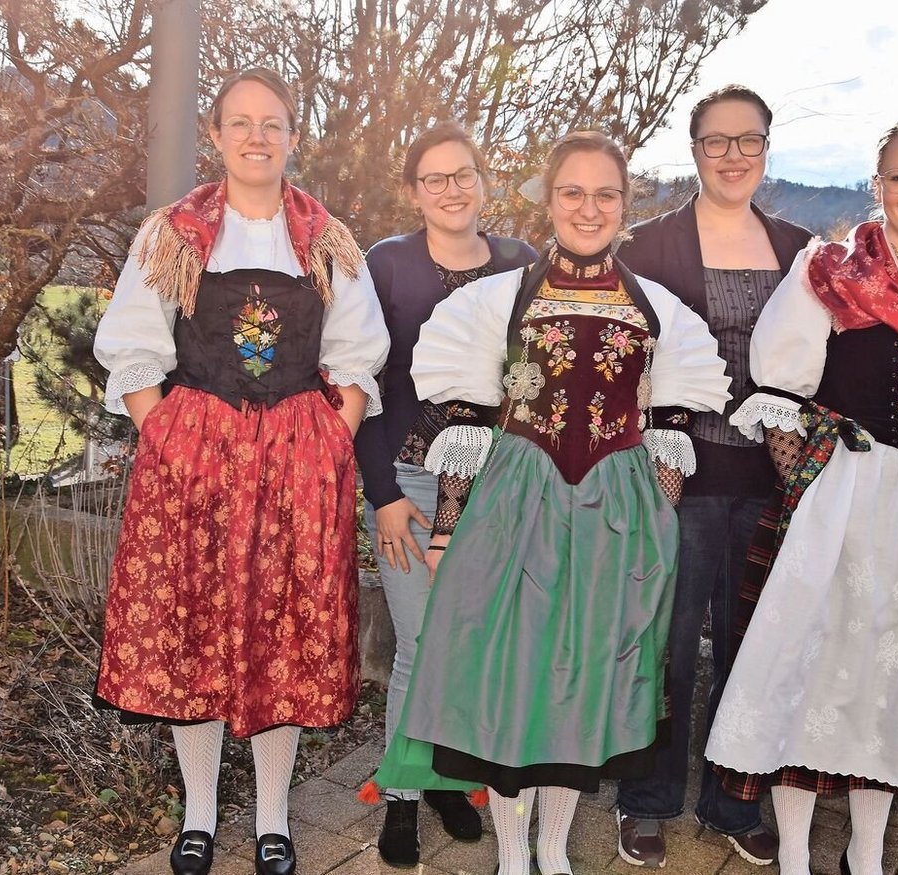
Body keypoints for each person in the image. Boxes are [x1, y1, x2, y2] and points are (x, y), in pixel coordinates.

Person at [369, 131, 731, 875]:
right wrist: (445, 534)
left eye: (605, 194)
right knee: (512, 683)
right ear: (548, 199)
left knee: (587, 684)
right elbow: (467, 420)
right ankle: (511, 856)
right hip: (515, 508)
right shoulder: (498, 299)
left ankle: (556, 852)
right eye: (573, 192)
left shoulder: (659, 310)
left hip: (616, 516)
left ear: (624, 206)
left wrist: (658, 526)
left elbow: (669, 428)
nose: (588, 207)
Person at [704, 116, 898, 875]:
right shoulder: (827, 271)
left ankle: (867, 852)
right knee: (806, 669)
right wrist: (810, 494)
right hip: (839, 497)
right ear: (876, 185)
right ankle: (791, 855)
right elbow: (781, 390)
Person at [91, 67, 389, 875]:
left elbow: (356, 352)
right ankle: (196, 814)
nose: (258, 137)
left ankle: (272, 819)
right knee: (194, 631)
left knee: (281, 635)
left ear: (294, 137)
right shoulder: (175, 231)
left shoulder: (325, 235)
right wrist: (169, 437)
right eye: (242, 123)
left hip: (297, 462)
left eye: (274, 124)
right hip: (194, 463)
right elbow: (132, 339)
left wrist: (333, 438)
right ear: (217, 135)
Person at [612, 84, 812, 868]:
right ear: (693, 148)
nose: (734, 155)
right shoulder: (649, 244)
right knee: (663, 646)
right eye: (716, 140)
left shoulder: (799, 250)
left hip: (770, 481)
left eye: (749, 140)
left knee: (750, 645)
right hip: (675, 478)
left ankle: (735, 800)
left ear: (767, 147)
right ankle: (647, 798)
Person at [353, 123, 537, 867]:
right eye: (435, 179)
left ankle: (450, 780)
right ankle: (401, 794)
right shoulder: (387, 264)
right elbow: (359, 382)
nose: (452, 189)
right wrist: (384, 494)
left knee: (471, 644)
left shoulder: (522, 262)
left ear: (483, 180)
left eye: (464, 174)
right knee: (421, 642)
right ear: (413, 192)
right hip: (410, 484)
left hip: (496, 487)